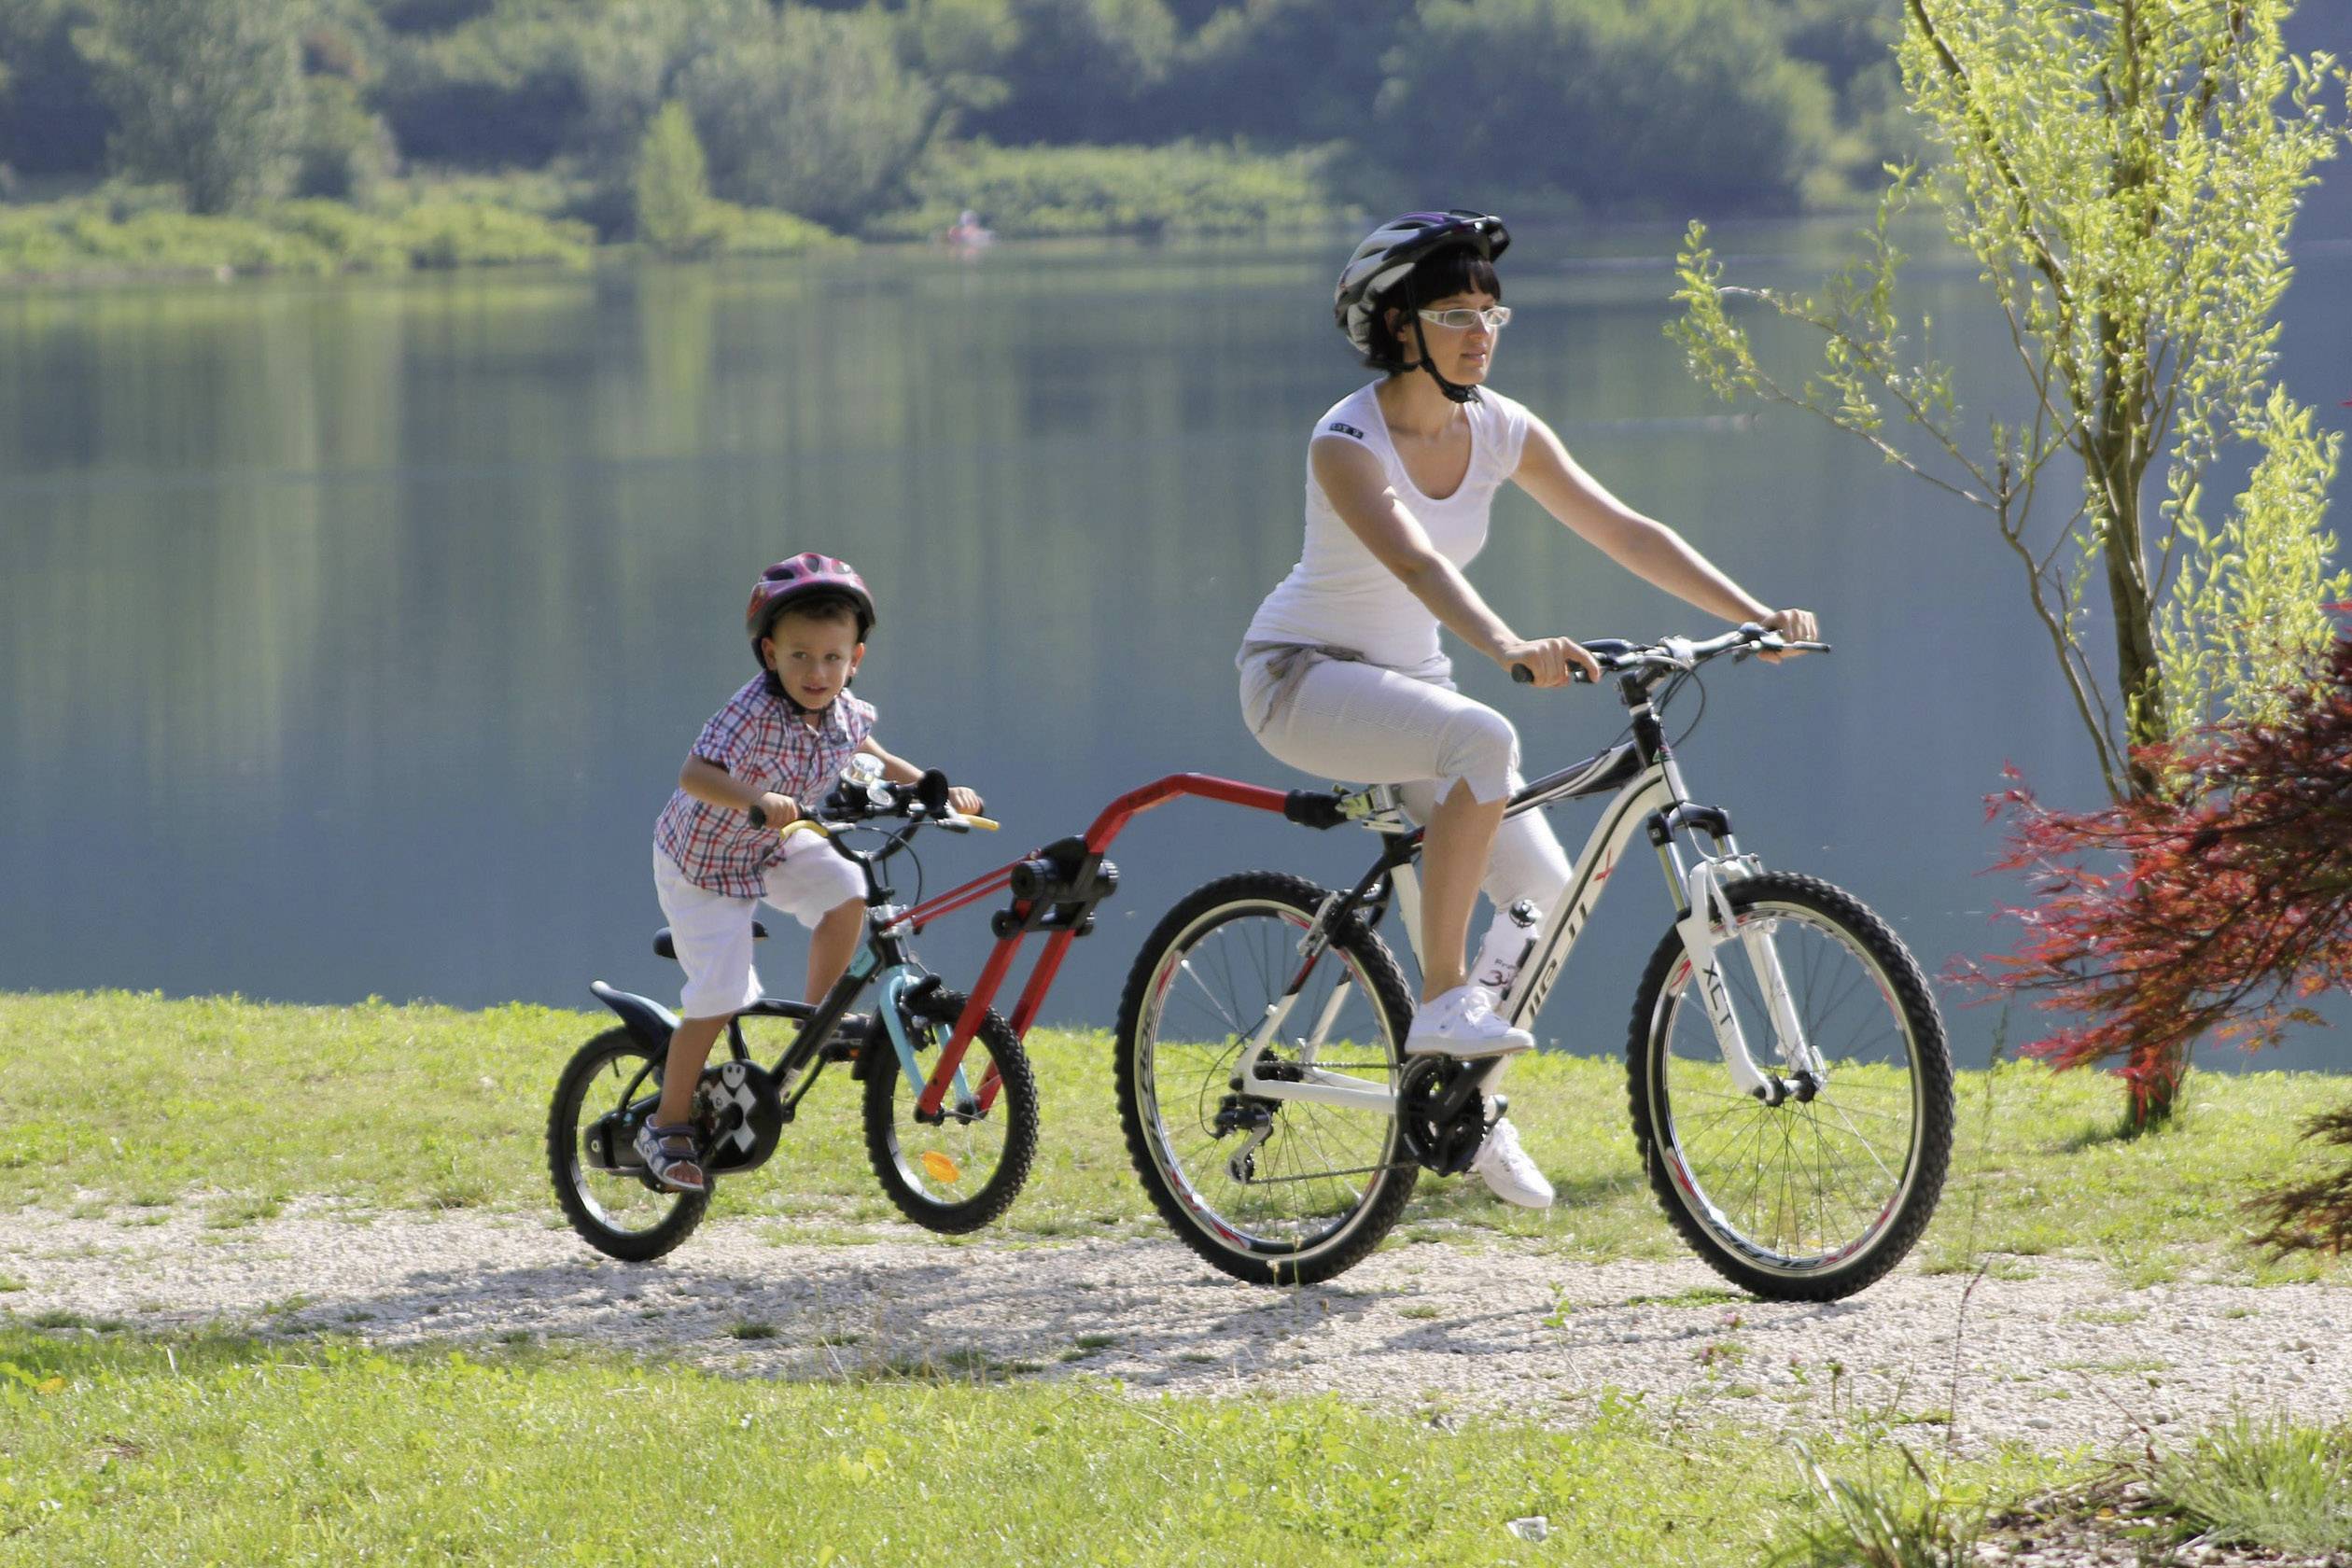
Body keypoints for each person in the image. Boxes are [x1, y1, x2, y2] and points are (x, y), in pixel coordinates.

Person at [1237, 210, 1817, 1209]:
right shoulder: (1345, 440)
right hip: (1300, 677)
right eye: (1456, 311)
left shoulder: (1501, 426)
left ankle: (1466, 1102)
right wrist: (1506, 646)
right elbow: (1416, 562)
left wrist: (1756, 616)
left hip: (1409, 696)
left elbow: (1627, 531)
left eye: (1494, 311)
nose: (1482, 330)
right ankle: (1440, 1002)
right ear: (1397, 323)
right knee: (1485, 736)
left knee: (1545, 895)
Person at [641, 553, 985, 1193]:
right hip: (702, 862)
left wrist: (938, 791)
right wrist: (753, 798)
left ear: (855, 659)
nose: (817, 672)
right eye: (800, 656)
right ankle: (666, 1125)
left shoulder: (847, 711)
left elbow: (873, 755)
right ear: (770, 654)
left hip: (776, 846)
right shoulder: (749, 713)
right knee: (722, 992)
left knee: (847, 887)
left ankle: (818, 1020)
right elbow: (693, 775)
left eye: (833, 657)